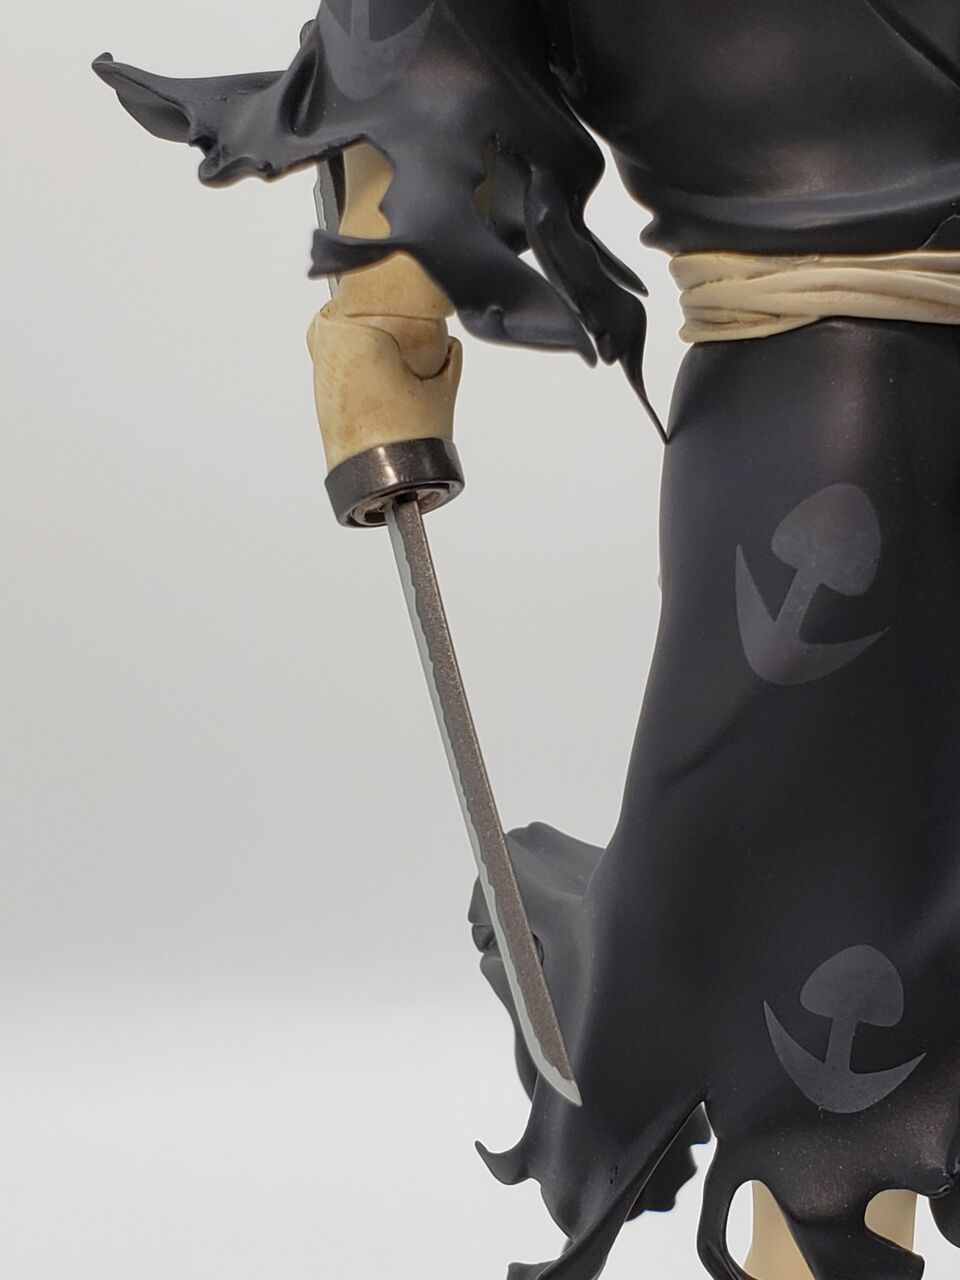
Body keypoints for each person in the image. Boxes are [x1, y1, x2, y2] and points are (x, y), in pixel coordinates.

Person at [94, 3, 960, 1277]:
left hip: (824, 432)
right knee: (824, 909)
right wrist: (381, 316)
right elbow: (428, 47)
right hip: (829, 421)